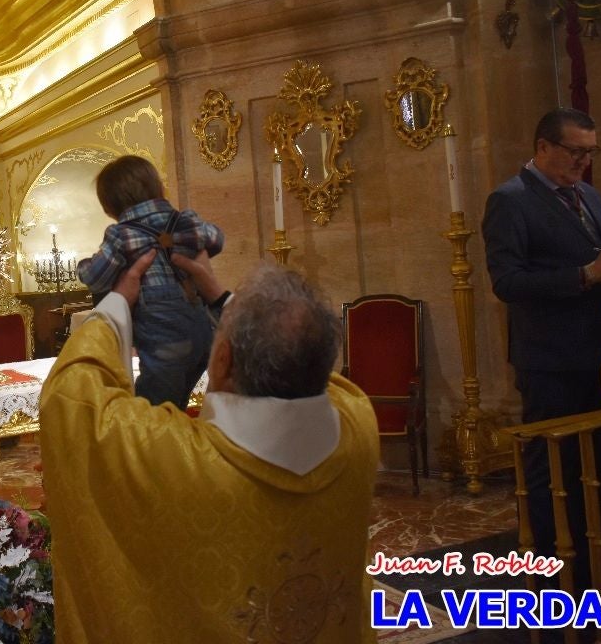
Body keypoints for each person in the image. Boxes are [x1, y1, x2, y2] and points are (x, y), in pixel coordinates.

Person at [40, 249, 380, 643]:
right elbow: (302, 365)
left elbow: (71, 396)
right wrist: (222, 299)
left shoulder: (171, 460)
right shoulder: (358, 428)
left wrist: (118, 301)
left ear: (221, 359)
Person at [481, 107, 601, 591]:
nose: (584, 162)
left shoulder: (589, 196)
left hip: (600, 356)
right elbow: (508, 282)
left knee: (591, 471)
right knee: (552, 476)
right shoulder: (510, 200)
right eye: (575, 152)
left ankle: (590, 564)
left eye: (591, 152)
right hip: (550, 360)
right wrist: (587, 274)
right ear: (543, 147)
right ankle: (549, 576)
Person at [76, 155, 223, 408]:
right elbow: (216, 240)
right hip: (203, 332)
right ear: (158, 187)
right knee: (177, 405)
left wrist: (83, 265)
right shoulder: (185, 220)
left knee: (150, 412)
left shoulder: (121, 234)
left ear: (109, 206)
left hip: (164, 339)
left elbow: (95, 278)